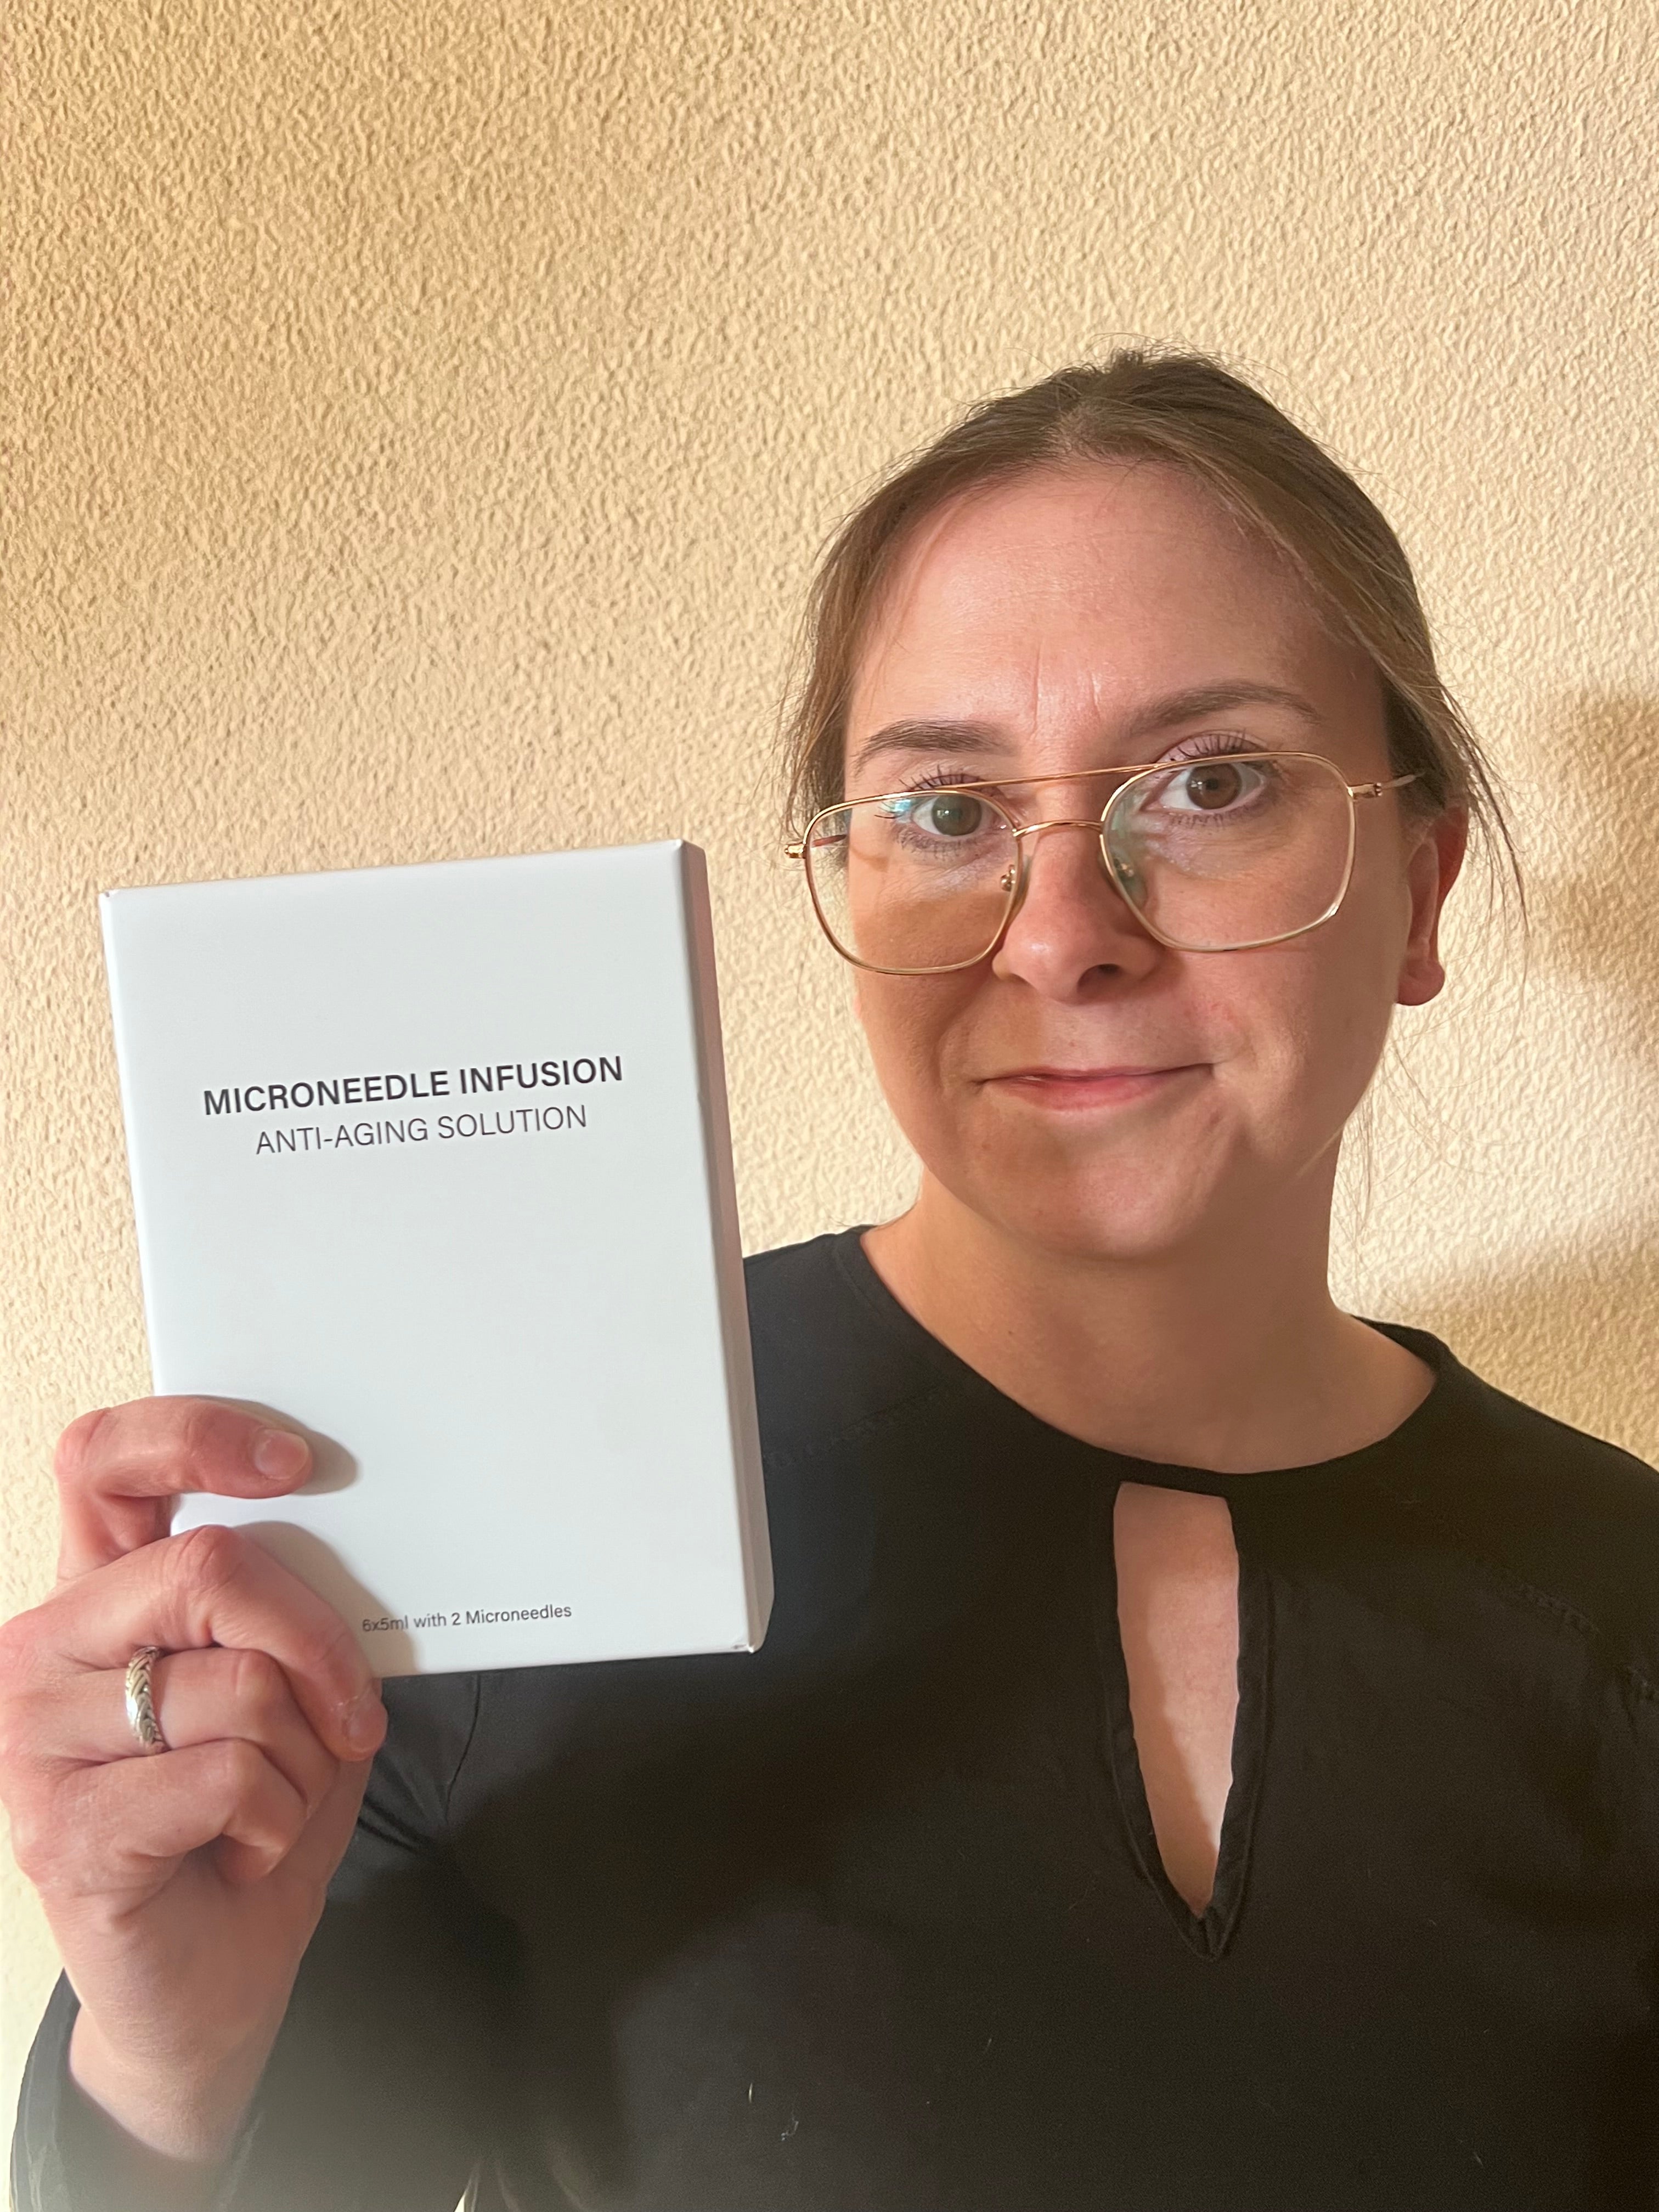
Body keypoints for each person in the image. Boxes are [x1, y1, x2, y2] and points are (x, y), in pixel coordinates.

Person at [8, 351, 1659, 2212]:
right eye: (948, 811)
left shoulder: (1625, 1596)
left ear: (1421, 892)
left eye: (1213, 783)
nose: (1064, 936)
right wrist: (168, 2077)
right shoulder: (516, 1508)